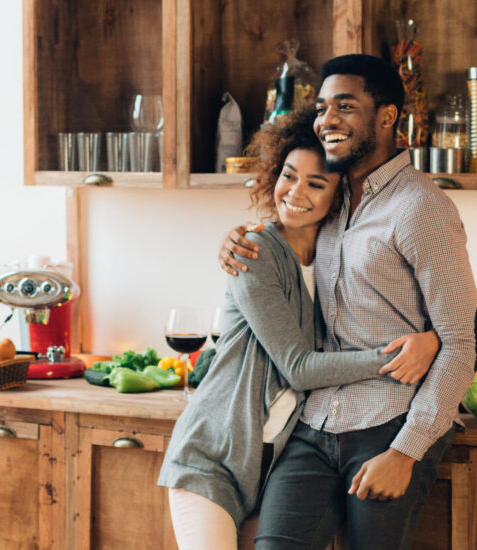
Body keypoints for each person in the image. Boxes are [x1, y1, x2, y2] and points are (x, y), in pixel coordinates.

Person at [218, 54, 477, 550]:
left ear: (386, 117)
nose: (327, 119)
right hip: (314, 425)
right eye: (320, 107)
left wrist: (406, 452)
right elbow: (280, 234)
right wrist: (233, 239)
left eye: (345, 106)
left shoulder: (422, 209)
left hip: (390, 424)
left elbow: (461, 342)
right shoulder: (333, 201)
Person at [157, 106, 440, 550]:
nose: (295, 192)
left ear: (339, 193)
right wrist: (402, 355)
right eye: (289, 175)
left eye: (316, 182)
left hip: (265, 466)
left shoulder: (332, 258)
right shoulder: (254, 251)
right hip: (211, 460)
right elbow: (300, 368)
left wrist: (433, 336)